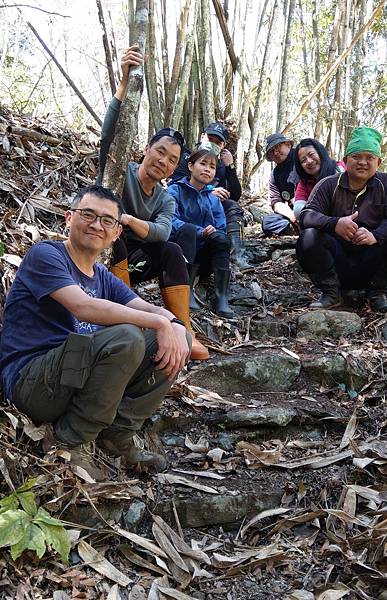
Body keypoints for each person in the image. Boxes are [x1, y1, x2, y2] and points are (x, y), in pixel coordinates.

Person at [0, 186, 190, 480]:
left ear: (116, 233)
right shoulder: (46, 255)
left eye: (106, 220)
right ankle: (72, 442)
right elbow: (83, 307)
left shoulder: (101, 275)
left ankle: (116, 436)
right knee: (127, 337)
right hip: (33, 381)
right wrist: (160, 323)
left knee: (178, 339)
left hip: (75, 377)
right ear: (68, 218)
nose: (96, 224)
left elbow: (145, 307)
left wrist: (174, 325)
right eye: (87, 214)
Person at [97, 45, 209, 360]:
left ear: (175, 168)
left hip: (134, 261)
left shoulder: (165, 197)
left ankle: (184, 331)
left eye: (172, 160)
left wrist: (130, 221)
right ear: (147, 149)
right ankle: (123, 317)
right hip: (102, 251)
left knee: (172, 249)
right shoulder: (120, 171)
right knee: (114, 235)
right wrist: (123, 85)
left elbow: (161, 232)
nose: (163, 161)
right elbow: (109, 136)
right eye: (160, 151)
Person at [296, 126, 387, 312]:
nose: (362, 162)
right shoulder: (328, 184)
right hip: (337, 263)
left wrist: (375, 235)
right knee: (309, 237)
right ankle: (331, 292)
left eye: (369, 158)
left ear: (378, 162)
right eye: (356, 157)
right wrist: (335, 223)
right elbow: (306, 215)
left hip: (372, 262)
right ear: (346, 160)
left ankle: (377, 294)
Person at [171, 122, 250, 269]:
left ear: (223, 146)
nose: (212, 143)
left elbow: (236, 194)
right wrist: (208, 190)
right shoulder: (186, 156)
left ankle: (236, 255)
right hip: (187, 209)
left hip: (209, 210)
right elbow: (176, 182)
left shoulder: (220, 165)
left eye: (217, 142)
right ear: (202, 137)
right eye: (210, 138)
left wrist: (230, 167)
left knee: (233, 206)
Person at [168, 146, 234, 319]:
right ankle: (186, 290)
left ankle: (222, 298)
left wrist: (214, 233)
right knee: (188, 230)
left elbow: (221, 227)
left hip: (204, 258)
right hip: (180, 255)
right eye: (203, 164)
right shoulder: (175, 190)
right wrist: (199, 231)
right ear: (190, 166)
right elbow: (170, 221)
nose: (207, 169)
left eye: (212, 167)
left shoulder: (213, 197)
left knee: (221, 238)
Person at [293, 138, 346, 220]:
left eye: (311, 154)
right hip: (325, 224)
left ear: (320, 152)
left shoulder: (340, 169)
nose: (309, 161)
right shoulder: (304, 183)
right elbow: (298, 210)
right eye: (303, 160)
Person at [261, 133, 298, 236]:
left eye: (278, 147)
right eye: (272, 151)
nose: (276, 152)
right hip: (293, 213)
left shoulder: (302, 159)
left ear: (288, 145)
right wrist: (291, 216)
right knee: (267, 222)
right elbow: (276, 202)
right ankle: (293, 229)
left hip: (311, 207)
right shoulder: (275, 175)